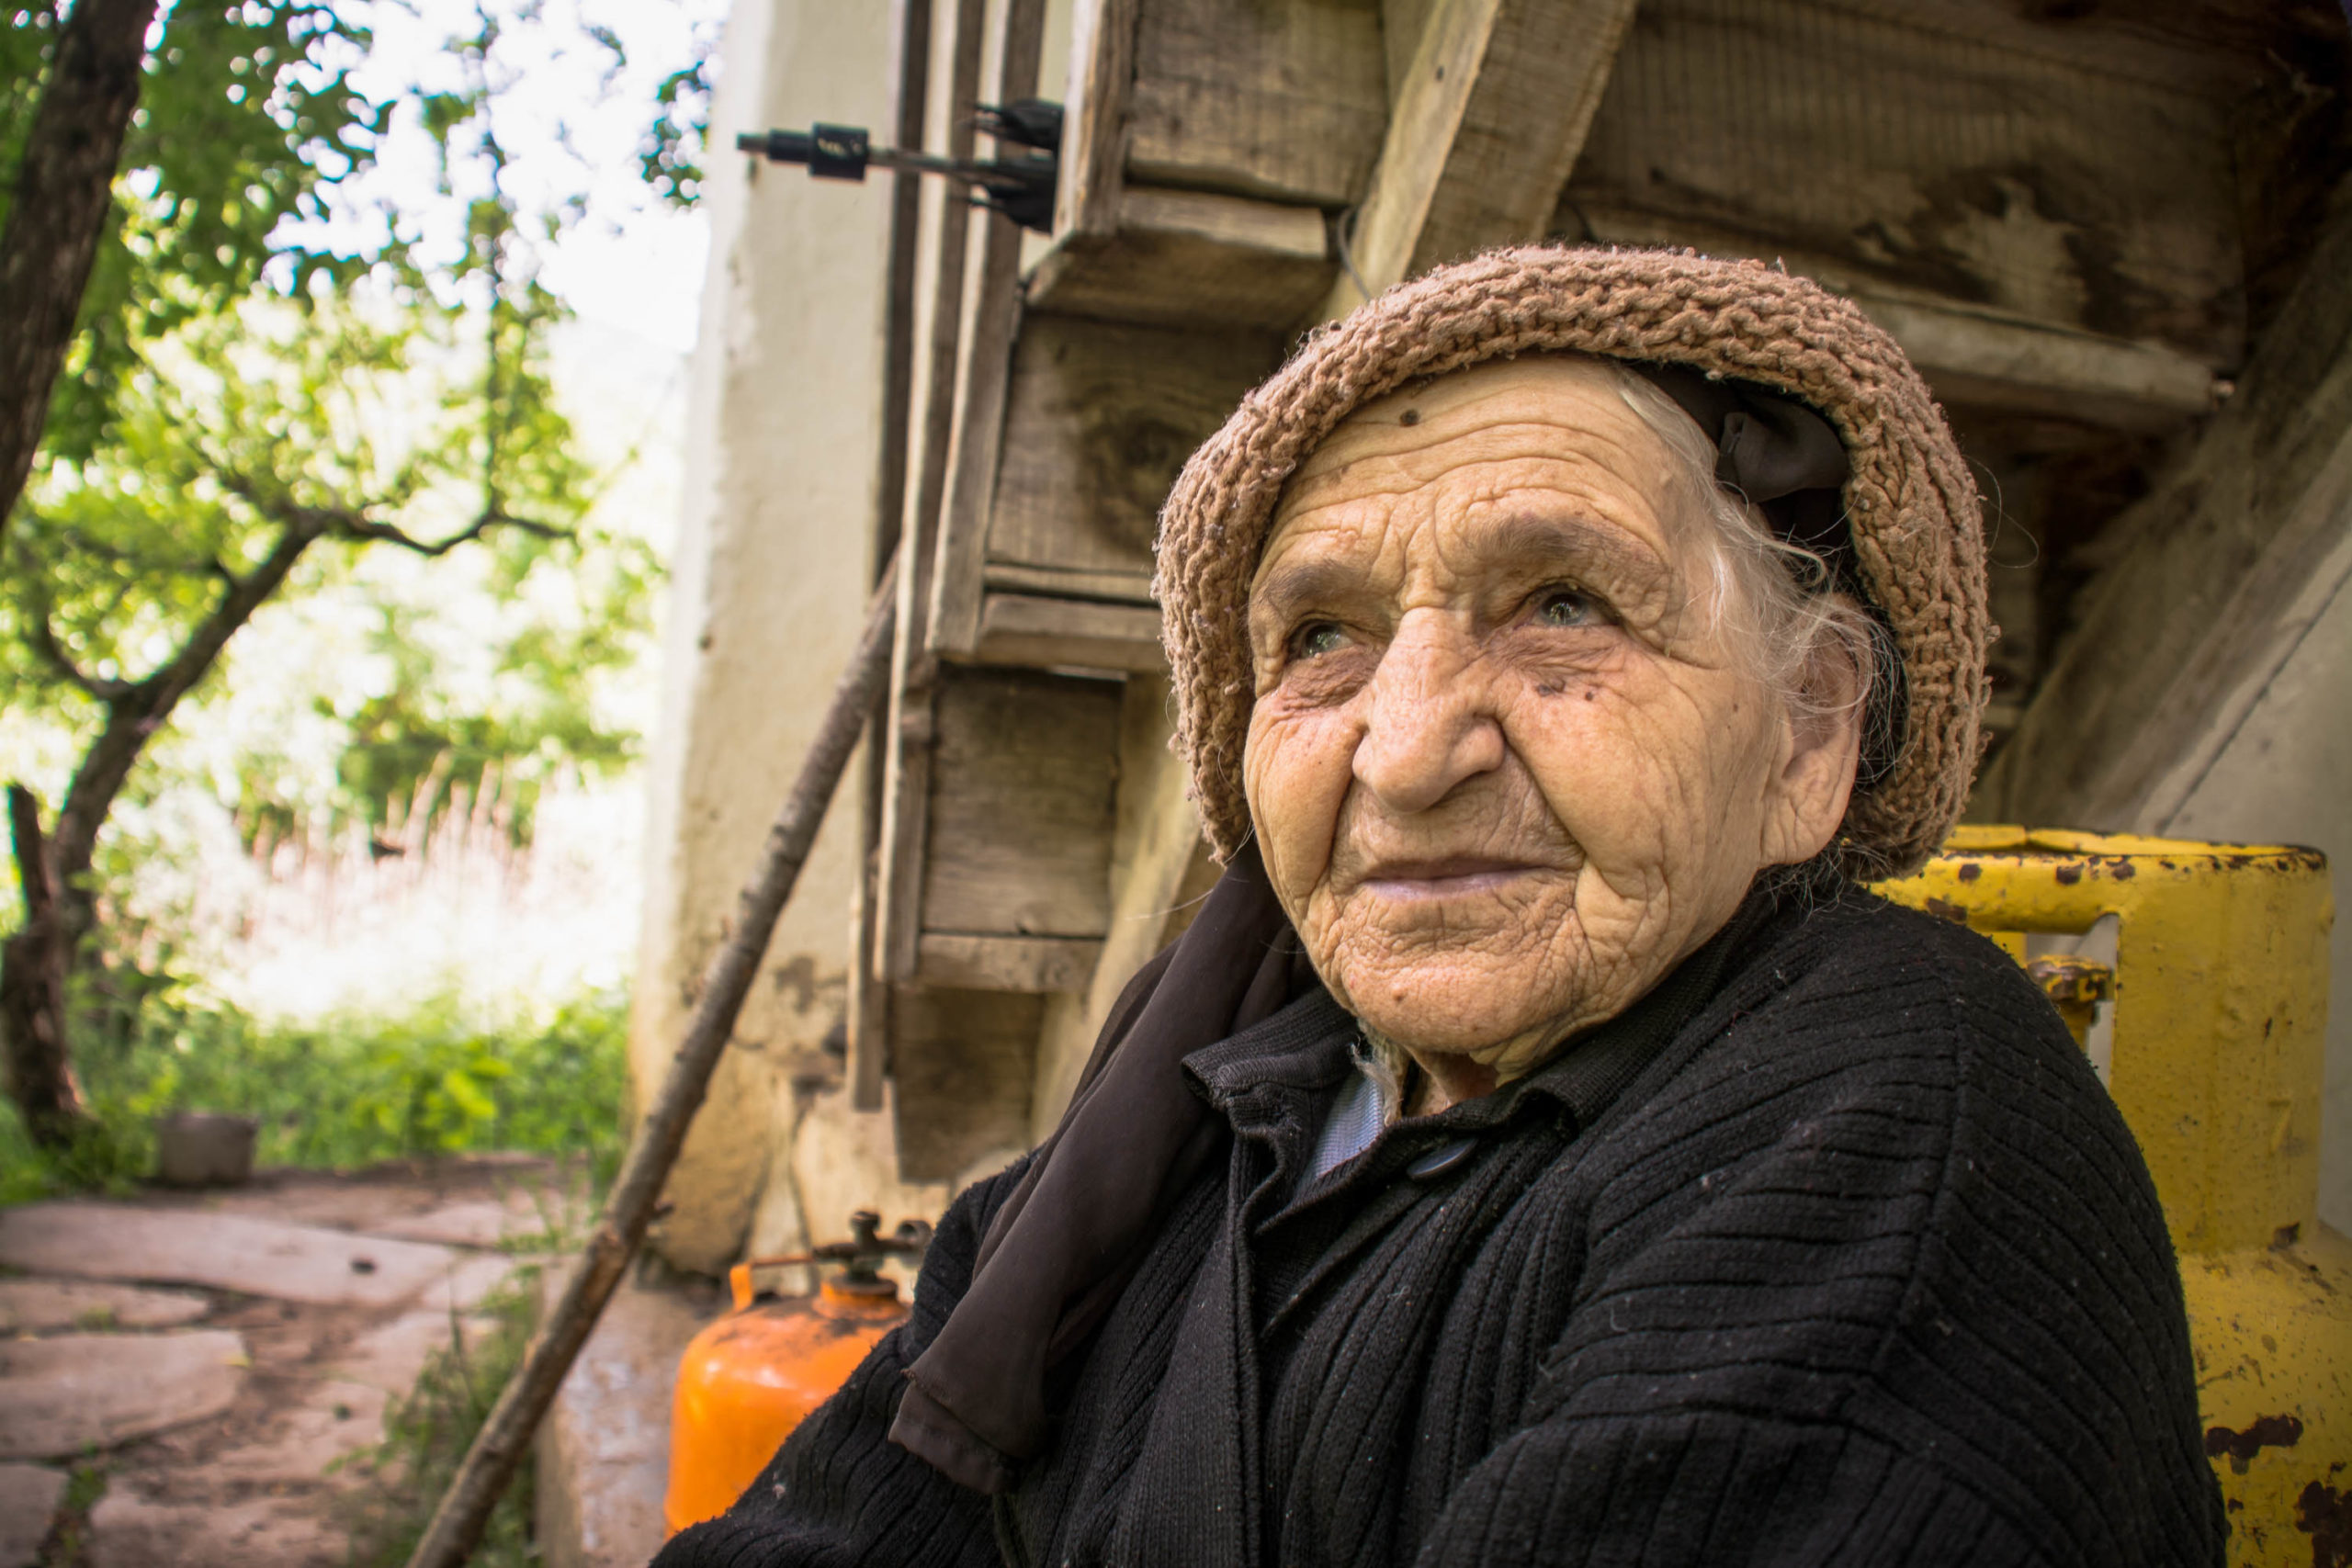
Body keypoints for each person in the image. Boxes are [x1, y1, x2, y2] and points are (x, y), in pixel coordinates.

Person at [654, 246, 2223, 1567]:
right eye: (1322, 636)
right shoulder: (1201, 1102)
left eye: (1562, 605)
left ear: (1807, 733)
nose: (1403, 753)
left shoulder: (1890, 1124)